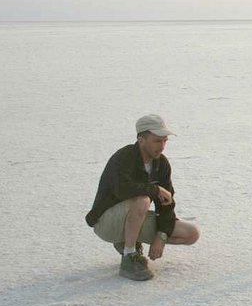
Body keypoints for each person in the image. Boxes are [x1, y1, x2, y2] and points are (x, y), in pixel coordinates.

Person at [85, 114, 200, 281]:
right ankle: (129, 256)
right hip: (107, 222)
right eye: (157, 141)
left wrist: (161, 236)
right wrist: (155, 189)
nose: (162, 146)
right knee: (143, 199)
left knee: (191, 234)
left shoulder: (161, 164)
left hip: (133, 218)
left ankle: (126, 242)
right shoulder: (123, 158)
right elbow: (122, 190)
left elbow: (167, 204)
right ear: (141, 139)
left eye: (164, 141)